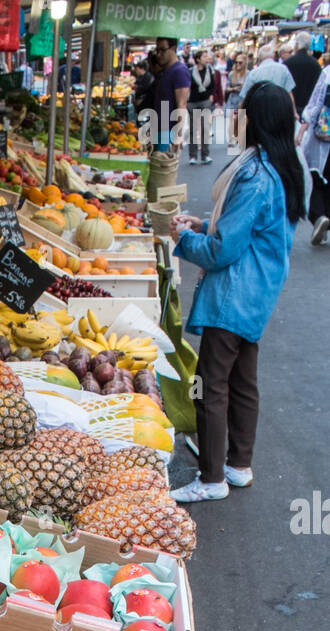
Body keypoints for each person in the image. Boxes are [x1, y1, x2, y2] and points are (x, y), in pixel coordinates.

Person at [169, 83, 306, 503]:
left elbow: (224, 250)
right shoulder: (283, 169)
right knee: (243, 381)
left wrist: (186, 238)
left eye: (241, 113)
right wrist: (206, 226)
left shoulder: (255, 175)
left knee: (210, 386)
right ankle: (238, 465)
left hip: (232, 296)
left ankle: (211, 478)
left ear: (256, 122)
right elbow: (246, 233)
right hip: (257, 296)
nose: (235, 119)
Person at [146, 37, 192, 203]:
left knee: (163, 178)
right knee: (158, 176)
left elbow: (181, 104)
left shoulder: (179, 71)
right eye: (157, 50)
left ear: (173, 48)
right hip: (160, 129)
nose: (159, 54)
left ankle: (163, 211)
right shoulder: (167, 71)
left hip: (168, 132)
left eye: (162, 50)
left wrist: (178, 133)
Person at [297, 61, 330, 244]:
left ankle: (319, 216)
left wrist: (305, 125)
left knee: (314, 177)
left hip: (322, 136)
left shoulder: (327, 73)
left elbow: (316, 103)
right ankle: (325, 220)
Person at [235, 42, 295, 109]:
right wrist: (294, 113)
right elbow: (290, 95)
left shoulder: (253, 74)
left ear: (259, 57)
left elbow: (245, 99)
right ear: (273, 56)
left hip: (259, 113)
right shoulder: (283, 69)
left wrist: (240, 118)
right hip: (280, 111)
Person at [285, 31, 322, 117]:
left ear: (297, 45)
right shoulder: (316, 65)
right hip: (308, 108)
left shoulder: (288, 63)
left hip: (290, 108)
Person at [188, 50, 214, 164]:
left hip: (205, 101)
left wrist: (211, 96)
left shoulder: (210, 71)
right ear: (198, 59)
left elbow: (213, 85)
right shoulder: (190, 72)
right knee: (193, 129)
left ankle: (205, 155)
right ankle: (193, 156)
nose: (206, 58)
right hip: (193, 102)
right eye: (204, 56)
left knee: (205, 128)